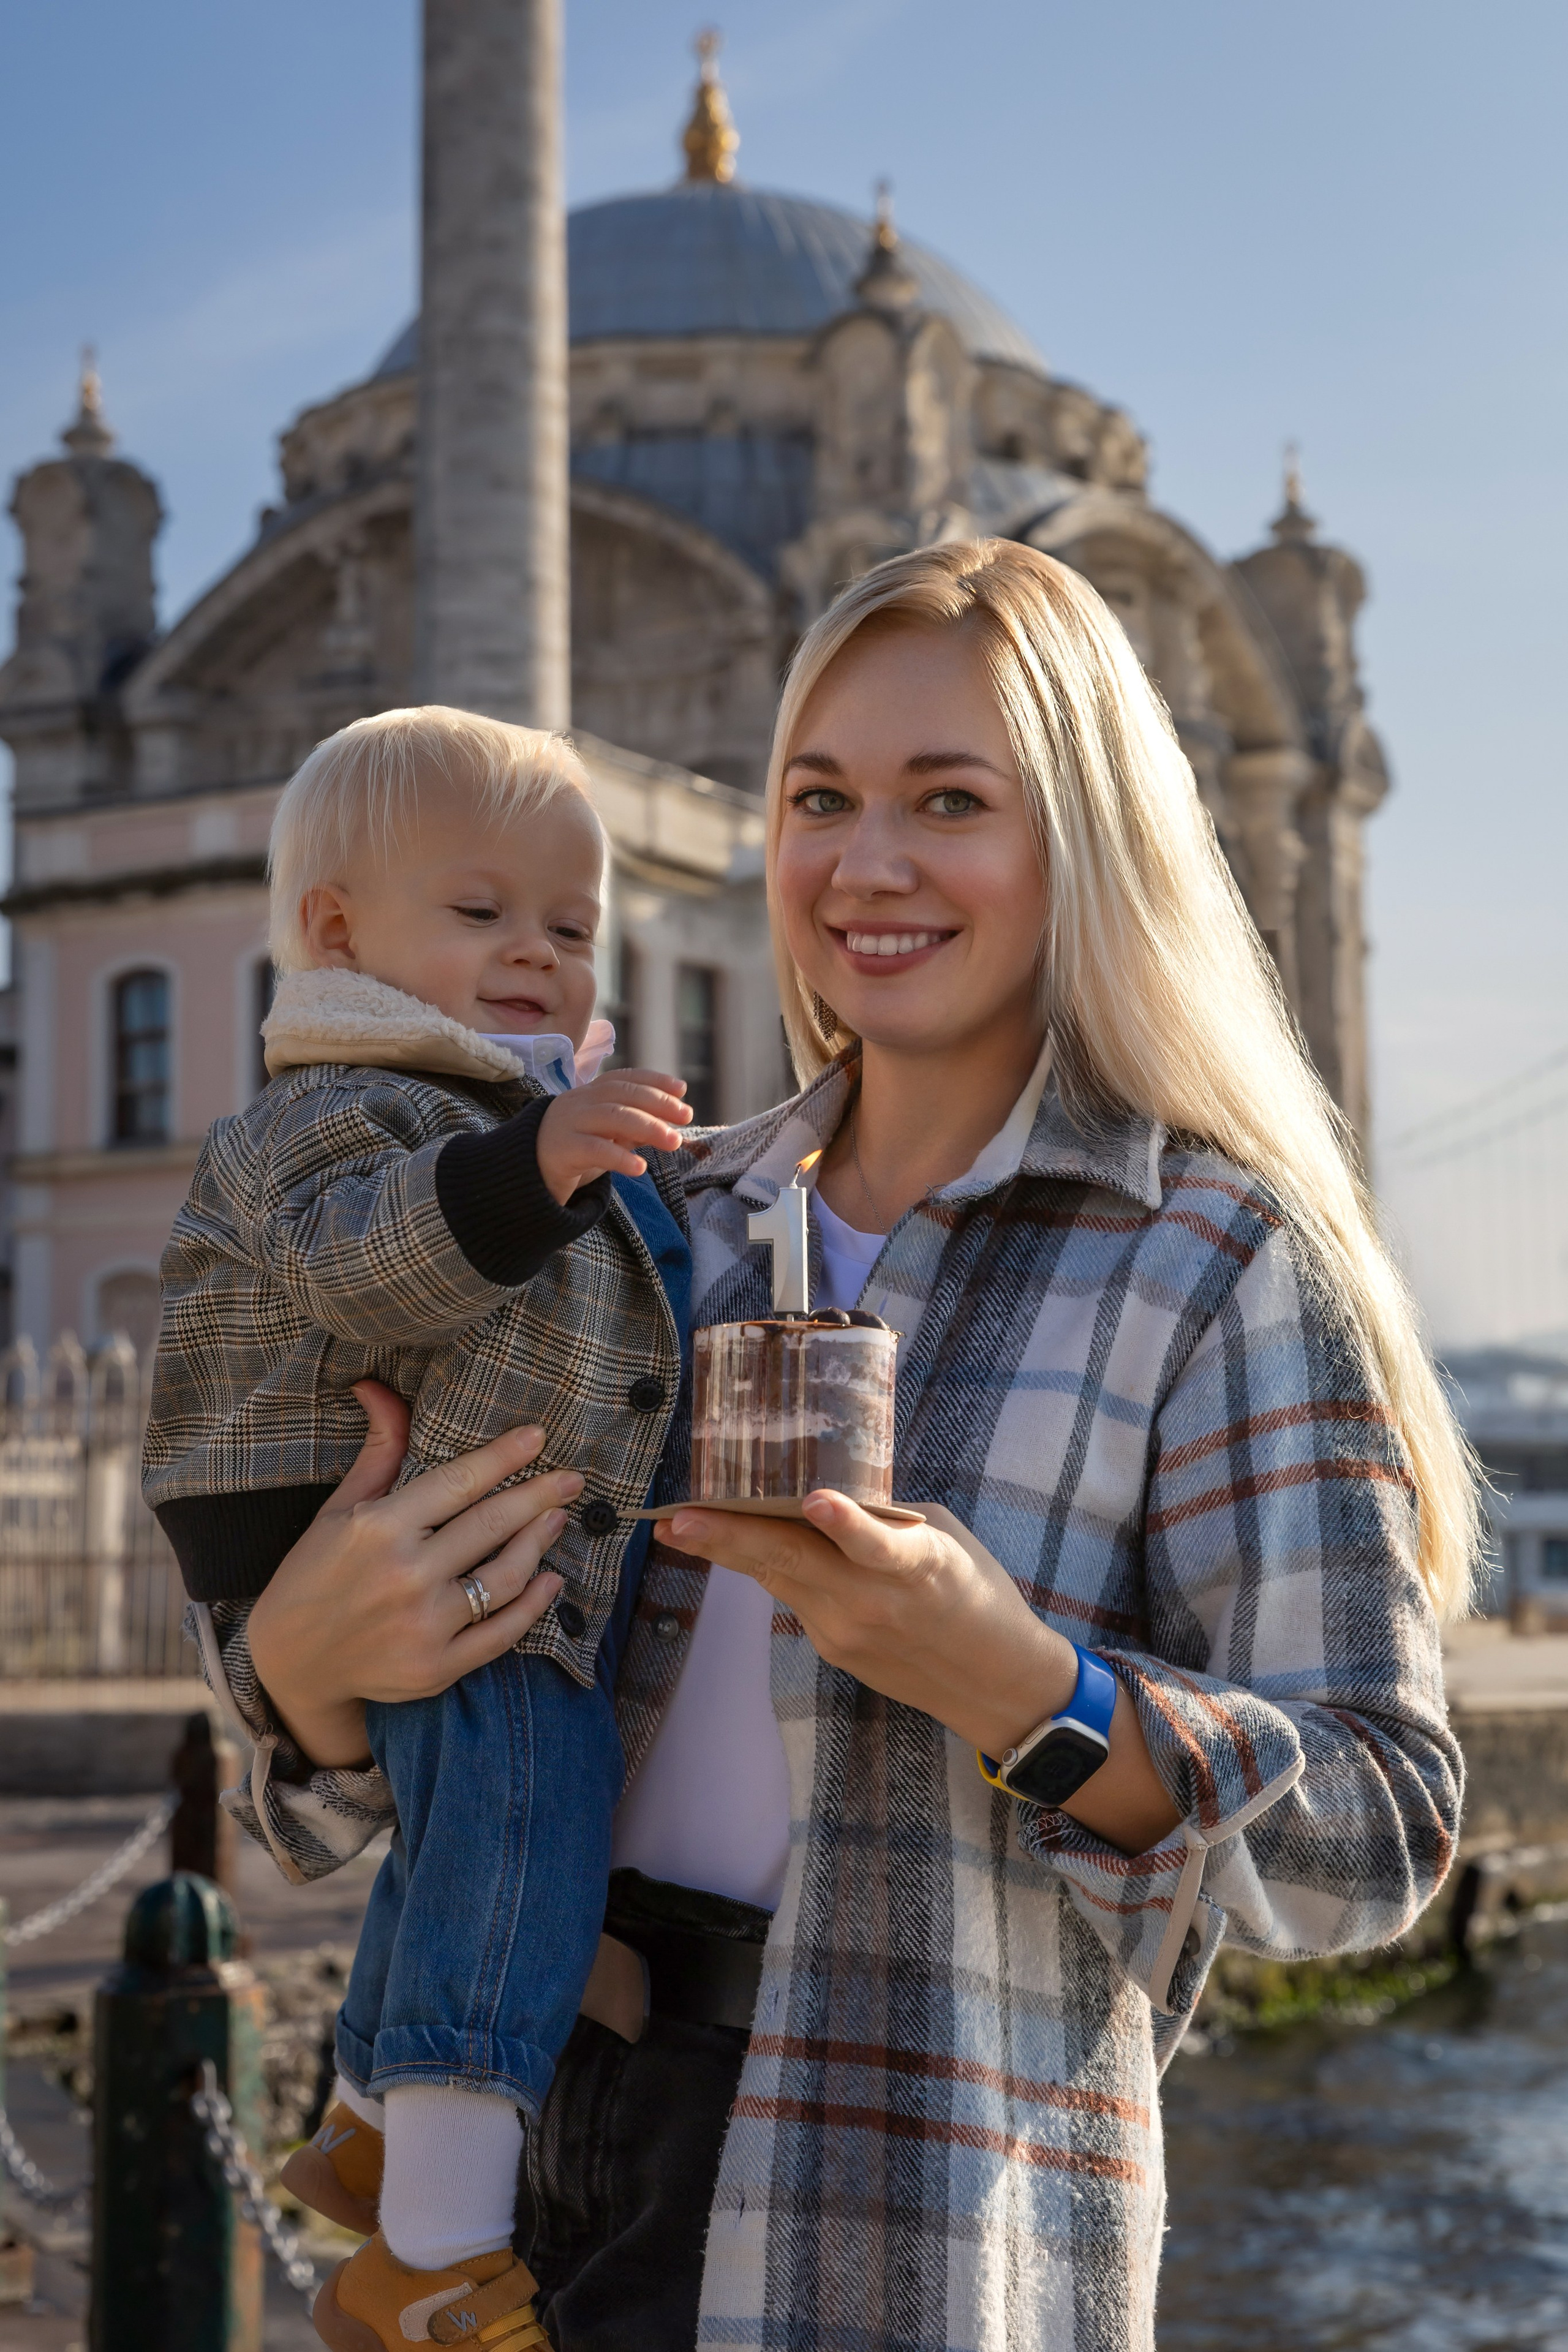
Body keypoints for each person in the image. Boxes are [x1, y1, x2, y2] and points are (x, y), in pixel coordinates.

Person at [204, 542, 1472, 2352]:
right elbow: (371, 1784)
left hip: (901, 2221)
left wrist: (1029, 1689)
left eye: (948, 801)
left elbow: (1382, 1829)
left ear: (1084, 845)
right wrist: (309, 1672)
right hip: (518, 2174)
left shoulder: (1211, 1259)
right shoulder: (643, 1219)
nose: (867, 864)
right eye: (820, 800)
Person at [141, 707, 693, 2352]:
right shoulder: (341, 1104)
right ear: (336, 932)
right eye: (481, 912)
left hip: (422, 1522)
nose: (538, 954)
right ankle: (435, 2255)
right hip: (336, 1502)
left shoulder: (492, 1102)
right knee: (524, 1802)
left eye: (572, 929)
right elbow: (362, 1267)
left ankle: (373, 2118)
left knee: (469, 1822)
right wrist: (537, 1165)